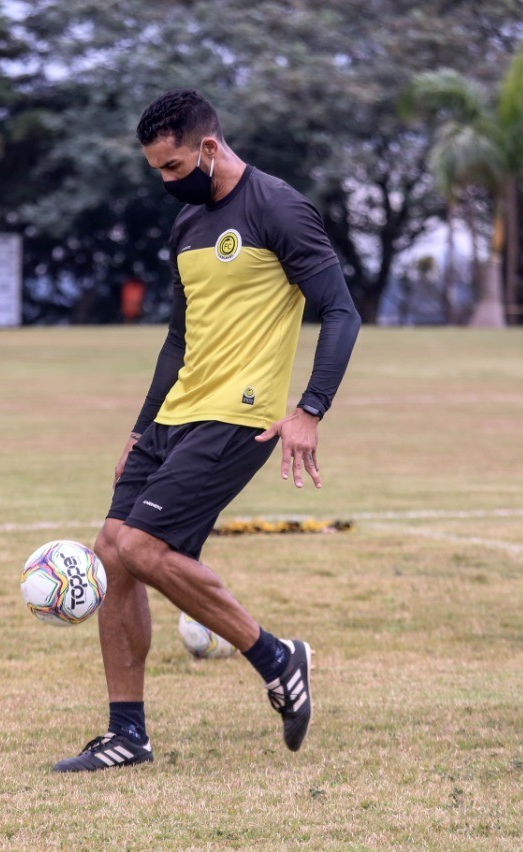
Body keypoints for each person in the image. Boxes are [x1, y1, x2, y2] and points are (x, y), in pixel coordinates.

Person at [53, 89, 361, 772]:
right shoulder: (186, 223)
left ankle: (276, 658)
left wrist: (309, 409)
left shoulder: (278, 207)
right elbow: (177, 338)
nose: (164, 181)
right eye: (156, 169)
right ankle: (127, 735)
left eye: (171, 167)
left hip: (239, 415)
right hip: (174, 415)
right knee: (112, 550)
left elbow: (340, 312)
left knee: (140, 545)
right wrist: (139, 429)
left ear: (209, 148)